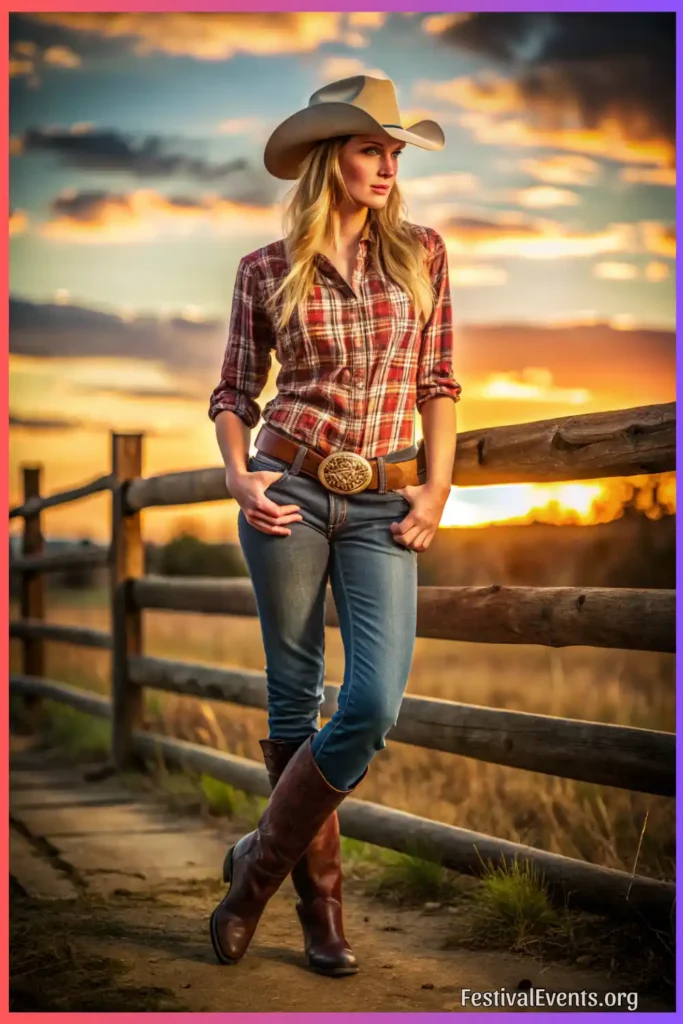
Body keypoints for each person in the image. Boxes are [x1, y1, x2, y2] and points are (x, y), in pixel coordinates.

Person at [206, 75, 462, 976]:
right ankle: (321, 919)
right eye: (370, 149)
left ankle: (253, 872)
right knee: (293, 695)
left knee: (374, 701)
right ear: (328, 160)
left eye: (395, 152)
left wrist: (435, 489)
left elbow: (437, 384)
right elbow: (234, 393)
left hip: (386, 502)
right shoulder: (264, 270)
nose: (388, 165)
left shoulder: (424, 254)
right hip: (287, 487)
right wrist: (238, 476)